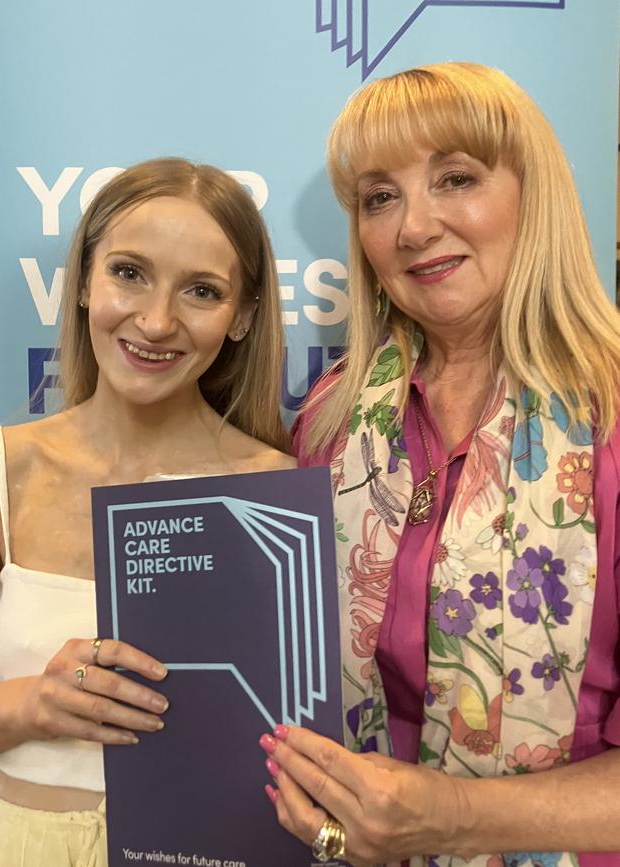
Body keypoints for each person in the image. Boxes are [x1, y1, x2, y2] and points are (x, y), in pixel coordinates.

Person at [259, 63, 620, 867]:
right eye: (379, 197)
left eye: (455, 178)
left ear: (537, 194)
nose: (413, 227)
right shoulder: (329, 417)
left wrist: (455, 816)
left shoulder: (610, 417)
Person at [0, 157, 294, 866]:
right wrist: (30, 705)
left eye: (202, 291)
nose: (155, 320)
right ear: (84, 281)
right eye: (128, 272)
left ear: (242, 316)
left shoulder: (277, 491)